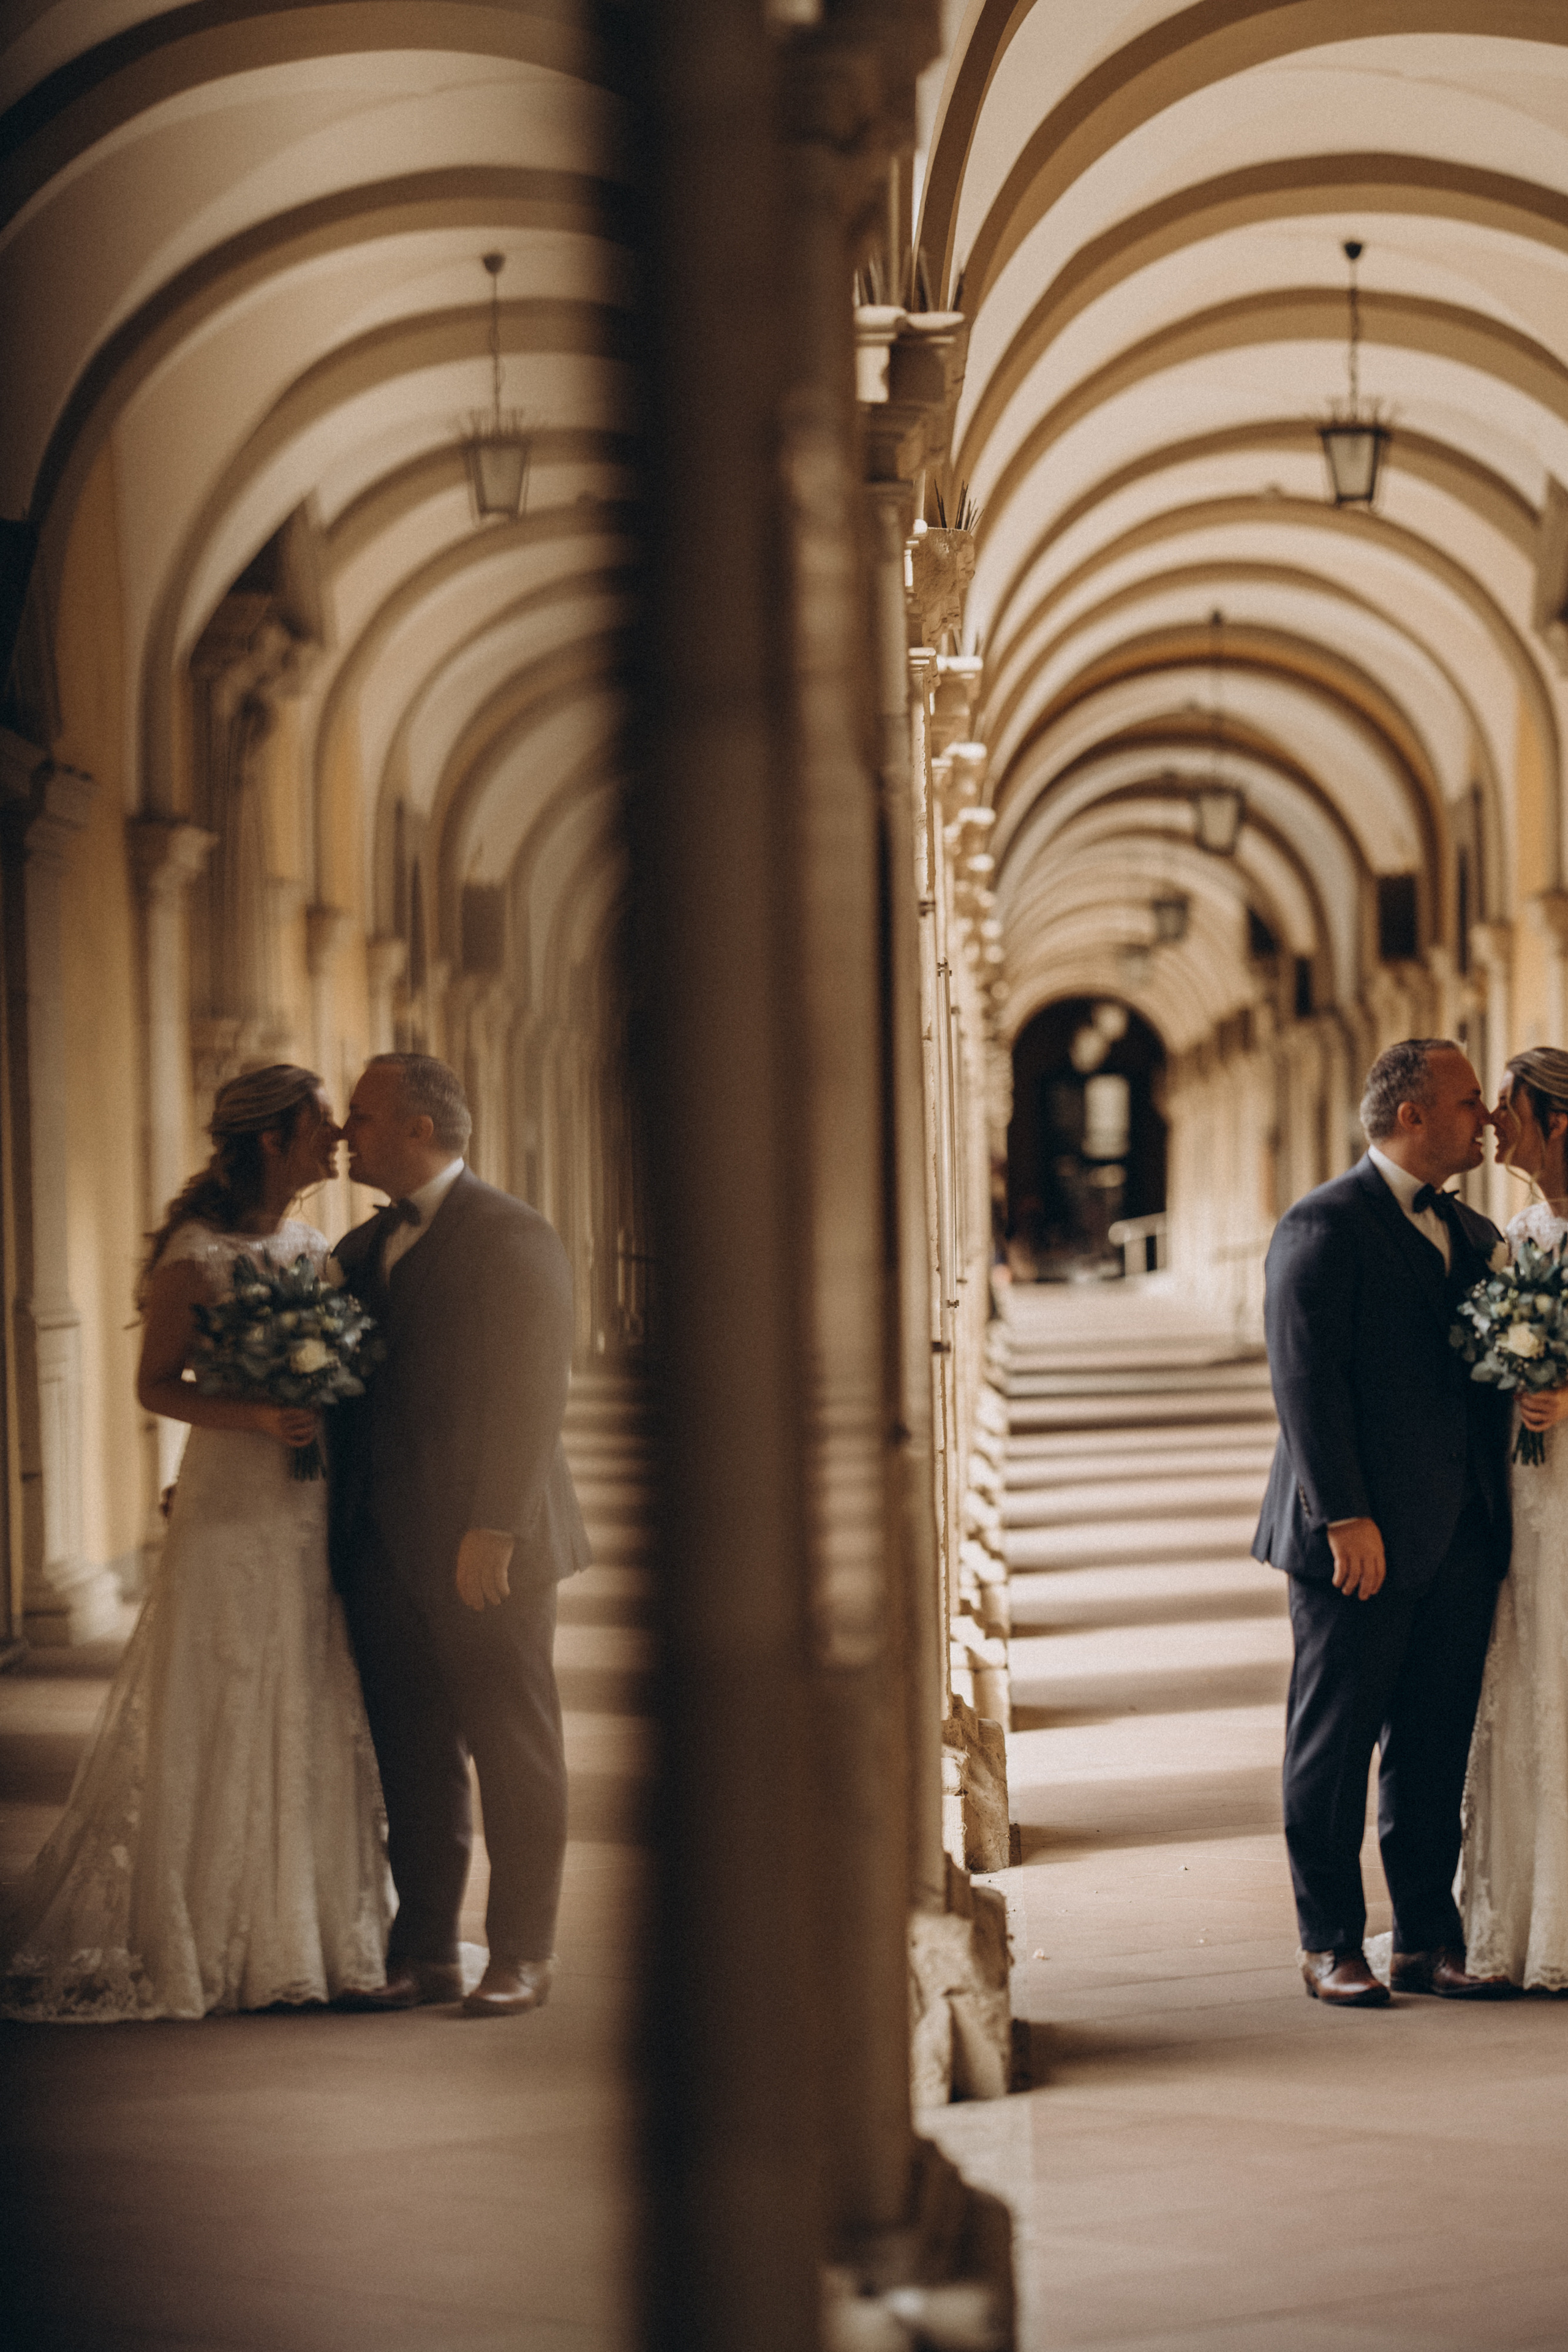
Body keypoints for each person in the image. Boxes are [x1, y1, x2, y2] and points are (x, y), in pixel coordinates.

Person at [0, 1066, 388, 2021]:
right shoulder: (196, 1253)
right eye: (320, 1126)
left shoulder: (307, 1242)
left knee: (302, 1682)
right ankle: (210, 1933)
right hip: (233, 1494)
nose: (336, 1137)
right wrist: (259, 1414)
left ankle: (308, 1931)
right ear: (271, 1140)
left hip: (301, 1502)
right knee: (225, 1682)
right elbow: (155, 1385)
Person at [1253, 1038, 1515, 2007]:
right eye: (1467, 1101)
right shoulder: (1321, 1227)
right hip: (1355, 1543)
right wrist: (1345, 1517)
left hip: (1460, 1538)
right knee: (1333, 1744)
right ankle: (1329, 1942)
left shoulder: (1479, 1234)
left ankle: (1423, 1940)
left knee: (1433, 1745)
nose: (1483, 1118)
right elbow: (1304, 1386)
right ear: (1413, 1115)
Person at [328, 1054, 589, 2019]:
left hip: (492, 1550)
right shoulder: (358, 1253)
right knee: (412, 1752)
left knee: (513, 1748)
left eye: (361, 1117)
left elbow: (532, 1393)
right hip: (382, 1549)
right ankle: (425, 1950)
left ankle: (524, 1953)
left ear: (418, 1131)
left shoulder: (513, 1235)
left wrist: (494, 1528)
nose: (347, 1133)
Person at [1460, 1047, 1568, 1987]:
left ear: (1558, 1120)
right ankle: (1522, 1911)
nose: (1494, 1121)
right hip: (1532, 1491)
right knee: (1532, 1658)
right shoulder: (1520, 1229)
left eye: (1508, 1105)